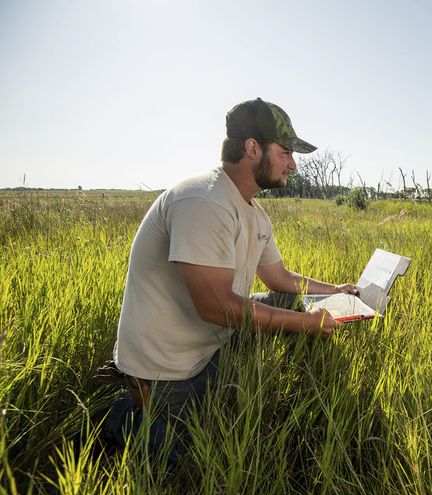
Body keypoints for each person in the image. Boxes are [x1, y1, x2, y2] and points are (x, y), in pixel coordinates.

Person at [99, 98, 357, 461]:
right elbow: (216, 307)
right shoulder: (203, 201)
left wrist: (336, 291)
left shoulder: (252, 211)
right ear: (253, 148)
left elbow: (278, 277)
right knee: (185, 455)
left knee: (285, 302)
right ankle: (119, 414)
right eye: (285, 152)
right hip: (168, 367)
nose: (293, 164)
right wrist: (307, 323)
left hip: (210, 346)